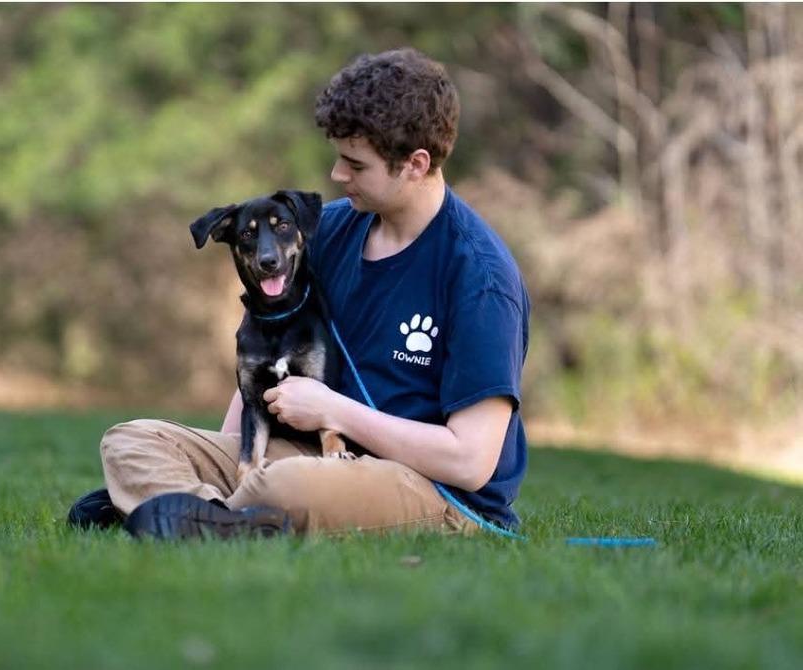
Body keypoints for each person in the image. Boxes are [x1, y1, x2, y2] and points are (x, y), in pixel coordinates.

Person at [68, 48, 530, 539]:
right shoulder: (324, 231)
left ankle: (176, 511)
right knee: (132, 440)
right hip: (314, 454)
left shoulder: (479, 278)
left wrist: (333, 409)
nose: (336, 175)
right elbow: (264, 349)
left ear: (415, 164)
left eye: (355, 164)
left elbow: (470, 460)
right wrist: (225, 455)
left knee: (286, 487)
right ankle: (210, 516)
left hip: (429, 486)